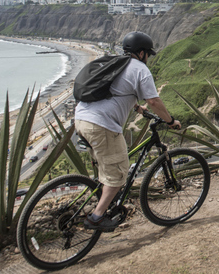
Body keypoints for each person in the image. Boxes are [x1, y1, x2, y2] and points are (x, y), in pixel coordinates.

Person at [75, 31, 181, 232]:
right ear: (141, 53)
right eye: (148, 54)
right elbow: (153, 101)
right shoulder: (140, 69)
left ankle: (101, 201)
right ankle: (96, 217)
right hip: (101, 126)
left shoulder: (115, 63)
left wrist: (137, 108)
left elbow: (115, 91)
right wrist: (170, 121)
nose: (148, 58)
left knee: (107, 170)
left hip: (81, 119)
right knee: (119, 174)